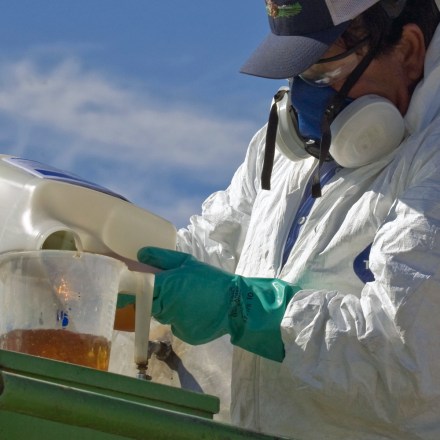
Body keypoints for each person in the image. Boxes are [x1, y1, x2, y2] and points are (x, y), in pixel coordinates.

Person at [136, 1, 440, 438]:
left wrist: (245, 310)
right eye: (296, 73)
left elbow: (406, 362)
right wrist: (118, 269)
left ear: (408, 50)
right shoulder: (284, 149)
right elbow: (213, 249)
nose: (302, 97)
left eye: (322, 72)